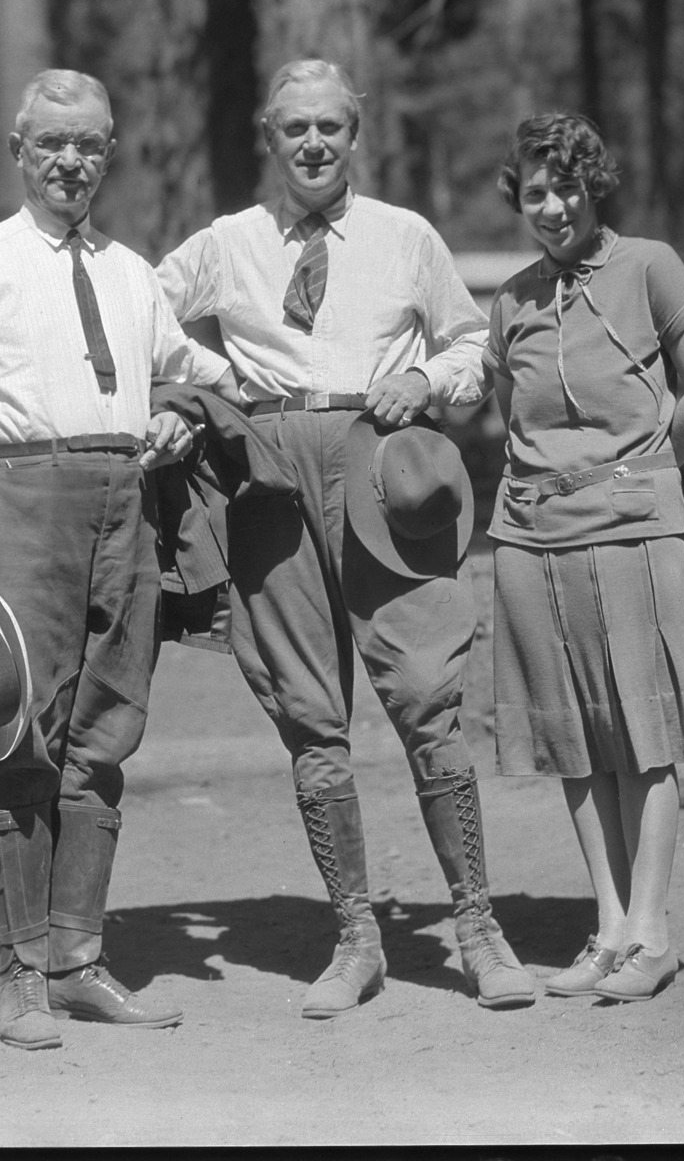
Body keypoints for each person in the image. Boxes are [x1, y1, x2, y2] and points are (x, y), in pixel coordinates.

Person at [156, 58, 538, 1016]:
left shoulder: (404, 236)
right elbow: (138, 312)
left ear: (354, 135)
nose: (314, 145)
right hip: (269, 477)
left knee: (423, 693)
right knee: (308, 711)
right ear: (269, 135)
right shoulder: (227, 242)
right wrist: (211, 383)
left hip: (380, 467)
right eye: (296, 129)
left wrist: (430, 382)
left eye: (330, 127)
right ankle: (355, 938)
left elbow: (467, 345)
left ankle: (478, 929)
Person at [0, 68, 239, 1051]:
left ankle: (78, 957)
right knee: (27, 736)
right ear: (19, 150)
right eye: (51, 142)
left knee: (105, 735)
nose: (70, 160)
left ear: (108, 151)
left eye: (88, 143)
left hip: (120, 508)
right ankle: (18, 973)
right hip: (19, 504)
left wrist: (180, 410)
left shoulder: (132, 272)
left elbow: (193, 370)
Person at [482, 113, 684, 1003]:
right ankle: (609, 928)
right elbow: (503, 416)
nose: (551, 206)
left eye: (566, 186)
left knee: (643, 727)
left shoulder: (649, 266)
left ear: (594, 183)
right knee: (576, 737)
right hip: (530, 535)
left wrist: (644, 474)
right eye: (535, 191)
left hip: (629, 526)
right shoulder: (509, 299)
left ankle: (653, 933)